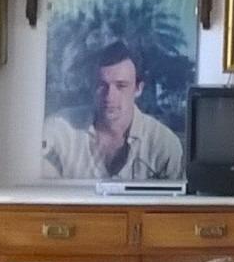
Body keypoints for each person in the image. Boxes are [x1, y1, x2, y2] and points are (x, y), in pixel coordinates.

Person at [41, 41, 185, 180]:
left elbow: (175, 196)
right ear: (92, 85)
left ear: (138, 89)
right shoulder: (60, 131)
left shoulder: (163, 144)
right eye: (102, 85)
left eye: (121, 86)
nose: (109, 96)